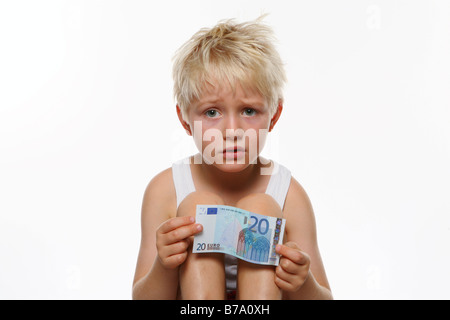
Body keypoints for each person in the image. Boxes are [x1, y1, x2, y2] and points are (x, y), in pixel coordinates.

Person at [132, 16, 332, 300]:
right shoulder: (165, 190)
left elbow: (324, 296)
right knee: (197, 204)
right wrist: (163, 266)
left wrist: (303, 282)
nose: (232, 131)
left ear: (273, 116)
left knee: (261, 206)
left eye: (249, 111)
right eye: (212, 112)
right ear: (185, 120)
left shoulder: (288, 195)